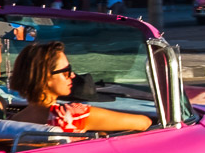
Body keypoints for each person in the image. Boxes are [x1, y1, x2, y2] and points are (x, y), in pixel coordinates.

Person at [9, 41, 151, 133]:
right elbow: (144, 123)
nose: (72, 75)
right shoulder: (72, 116)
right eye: (66, 72)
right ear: (44, 78)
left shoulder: (13, 121)